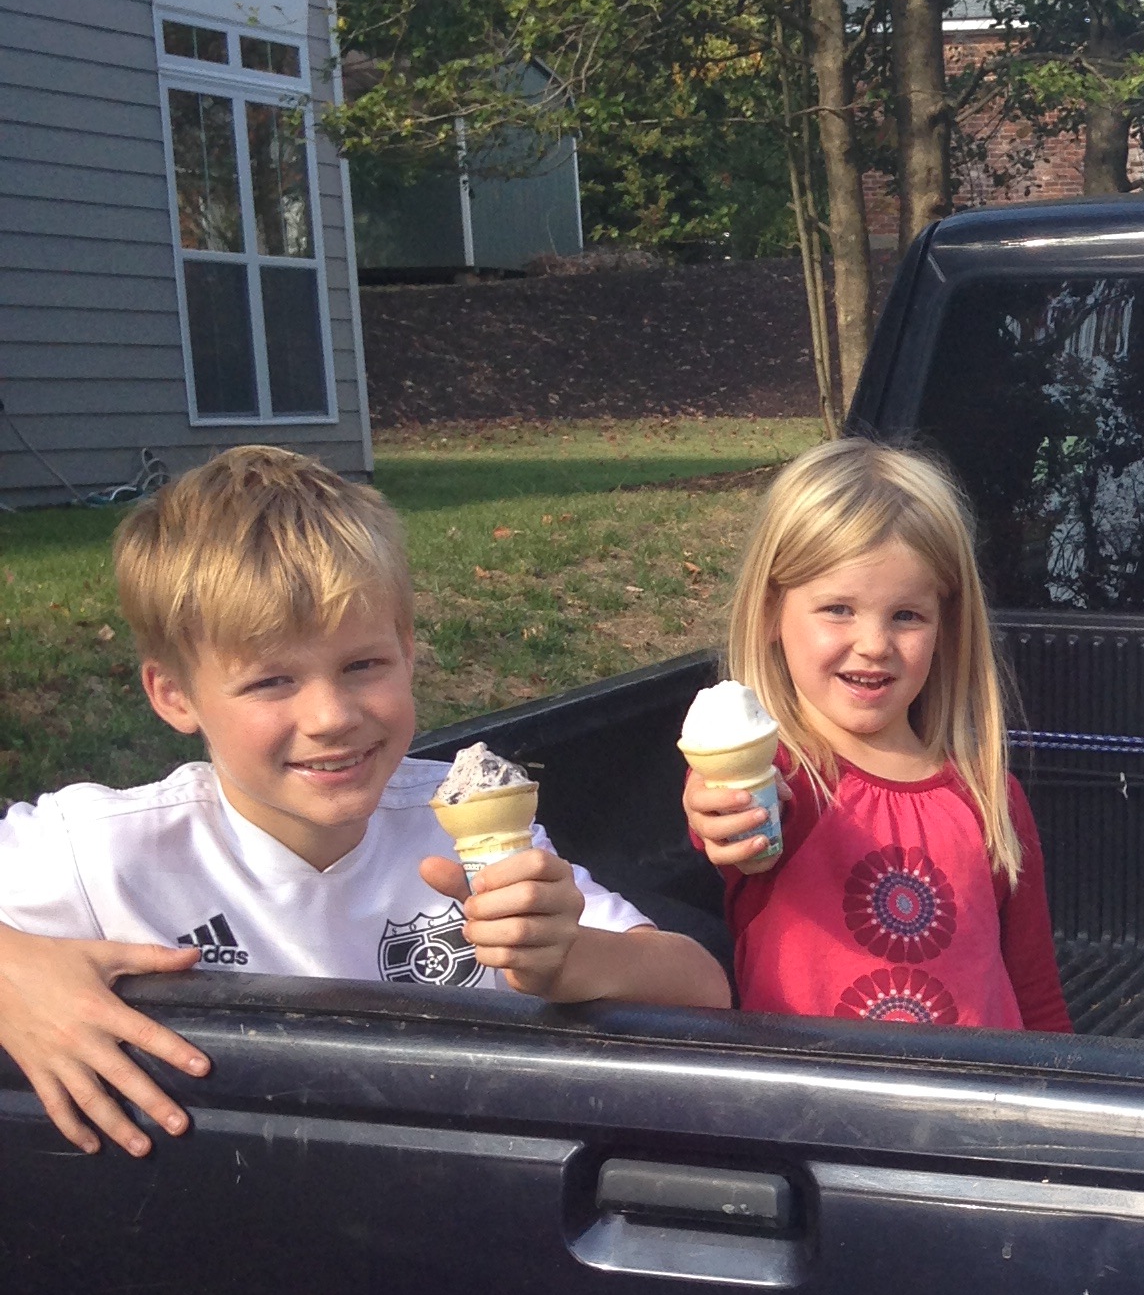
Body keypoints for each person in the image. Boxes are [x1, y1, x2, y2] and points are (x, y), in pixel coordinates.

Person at [0, 444, 731, 1159]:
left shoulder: (455, 822)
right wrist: (14, 975)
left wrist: (567, 959)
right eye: (270, 682)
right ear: (174, 694)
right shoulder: (99, 850)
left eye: (363, 665)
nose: (331, 716)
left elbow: (700, 991)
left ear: (409, 654)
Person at [685, 436, 1071, 1032]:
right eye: (838, 608)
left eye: (906, 615)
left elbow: (1036, 992)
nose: (874, 644)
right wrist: (715, 810)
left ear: (946, 628)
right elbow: (723, 819)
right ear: (769, 614)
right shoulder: (784, 781)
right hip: (815, 1122)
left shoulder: (990, 801)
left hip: (974, 1119)